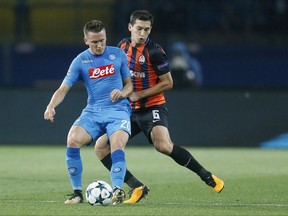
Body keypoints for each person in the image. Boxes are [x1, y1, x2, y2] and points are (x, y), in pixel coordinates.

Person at [94, 10, 224, 204]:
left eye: (147, 29)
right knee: (101, 147)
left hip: (152, 107)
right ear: (130, 27)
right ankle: (136, 187)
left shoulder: (155, 52)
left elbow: (168, 83)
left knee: (163, 146)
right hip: (128, 110)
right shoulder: (122, 46)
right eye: (139, 28)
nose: (142, 33)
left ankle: (207, 176)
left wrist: (139, 94)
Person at [44, 20, 133, 205]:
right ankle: (77, 193)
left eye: (102, 40)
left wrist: (122, 93)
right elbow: (63, 88)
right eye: (95, 42)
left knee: (117, 144)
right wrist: (51, 106)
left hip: (118, 110)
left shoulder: (118, 54)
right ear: (86, 40)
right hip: (93, 111)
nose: (100, 45)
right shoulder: (80, 61)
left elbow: (129, 85)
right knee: (72, 139)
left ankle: (117, 190)